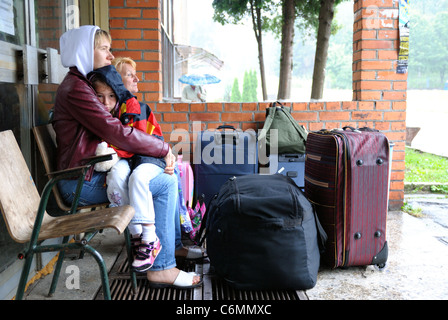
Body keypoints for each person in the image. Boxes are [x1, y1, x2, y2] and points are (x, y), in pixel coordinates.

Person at [53, 25, 201, 288]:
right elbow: (117, 132)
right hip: (79, 183)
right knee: (164, 184)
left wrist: (159, 148)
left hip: (90, 172)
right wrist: (163, 148)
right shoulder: (76, 89)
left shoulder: (82, 84)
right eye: (104, 49)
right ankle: (162, 268)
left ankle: (170, 249)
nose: (110, 56)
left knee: (164, 176)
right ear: (85, 51)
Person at [113, 57, 205, 262]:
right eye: (130, 74)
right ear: (116, 81)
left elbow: (148, 139)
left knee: (173, 175)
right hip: (137, 163)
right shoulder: (122, 107)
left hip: (147, 158)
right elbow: (135, 142)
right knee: (168, 181)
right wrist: (165, 155)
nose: (137, 78)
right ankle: (167, 248)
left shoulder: (139, 107)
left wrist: (167, 154)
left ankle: (175, 245)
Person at [89, 67, 164, 272]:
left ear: (118, 92)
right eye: (100, 96)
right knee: (116, 175)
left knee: (138, 178)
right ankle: (136, 233)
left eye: (111, 96)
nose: (106, 102)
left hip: (148, 155)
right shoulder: (101, 114)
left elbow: (138, 143)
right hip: (125, 158)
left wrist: (114, 151)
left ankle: (149, 237)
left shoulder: (134, 108)